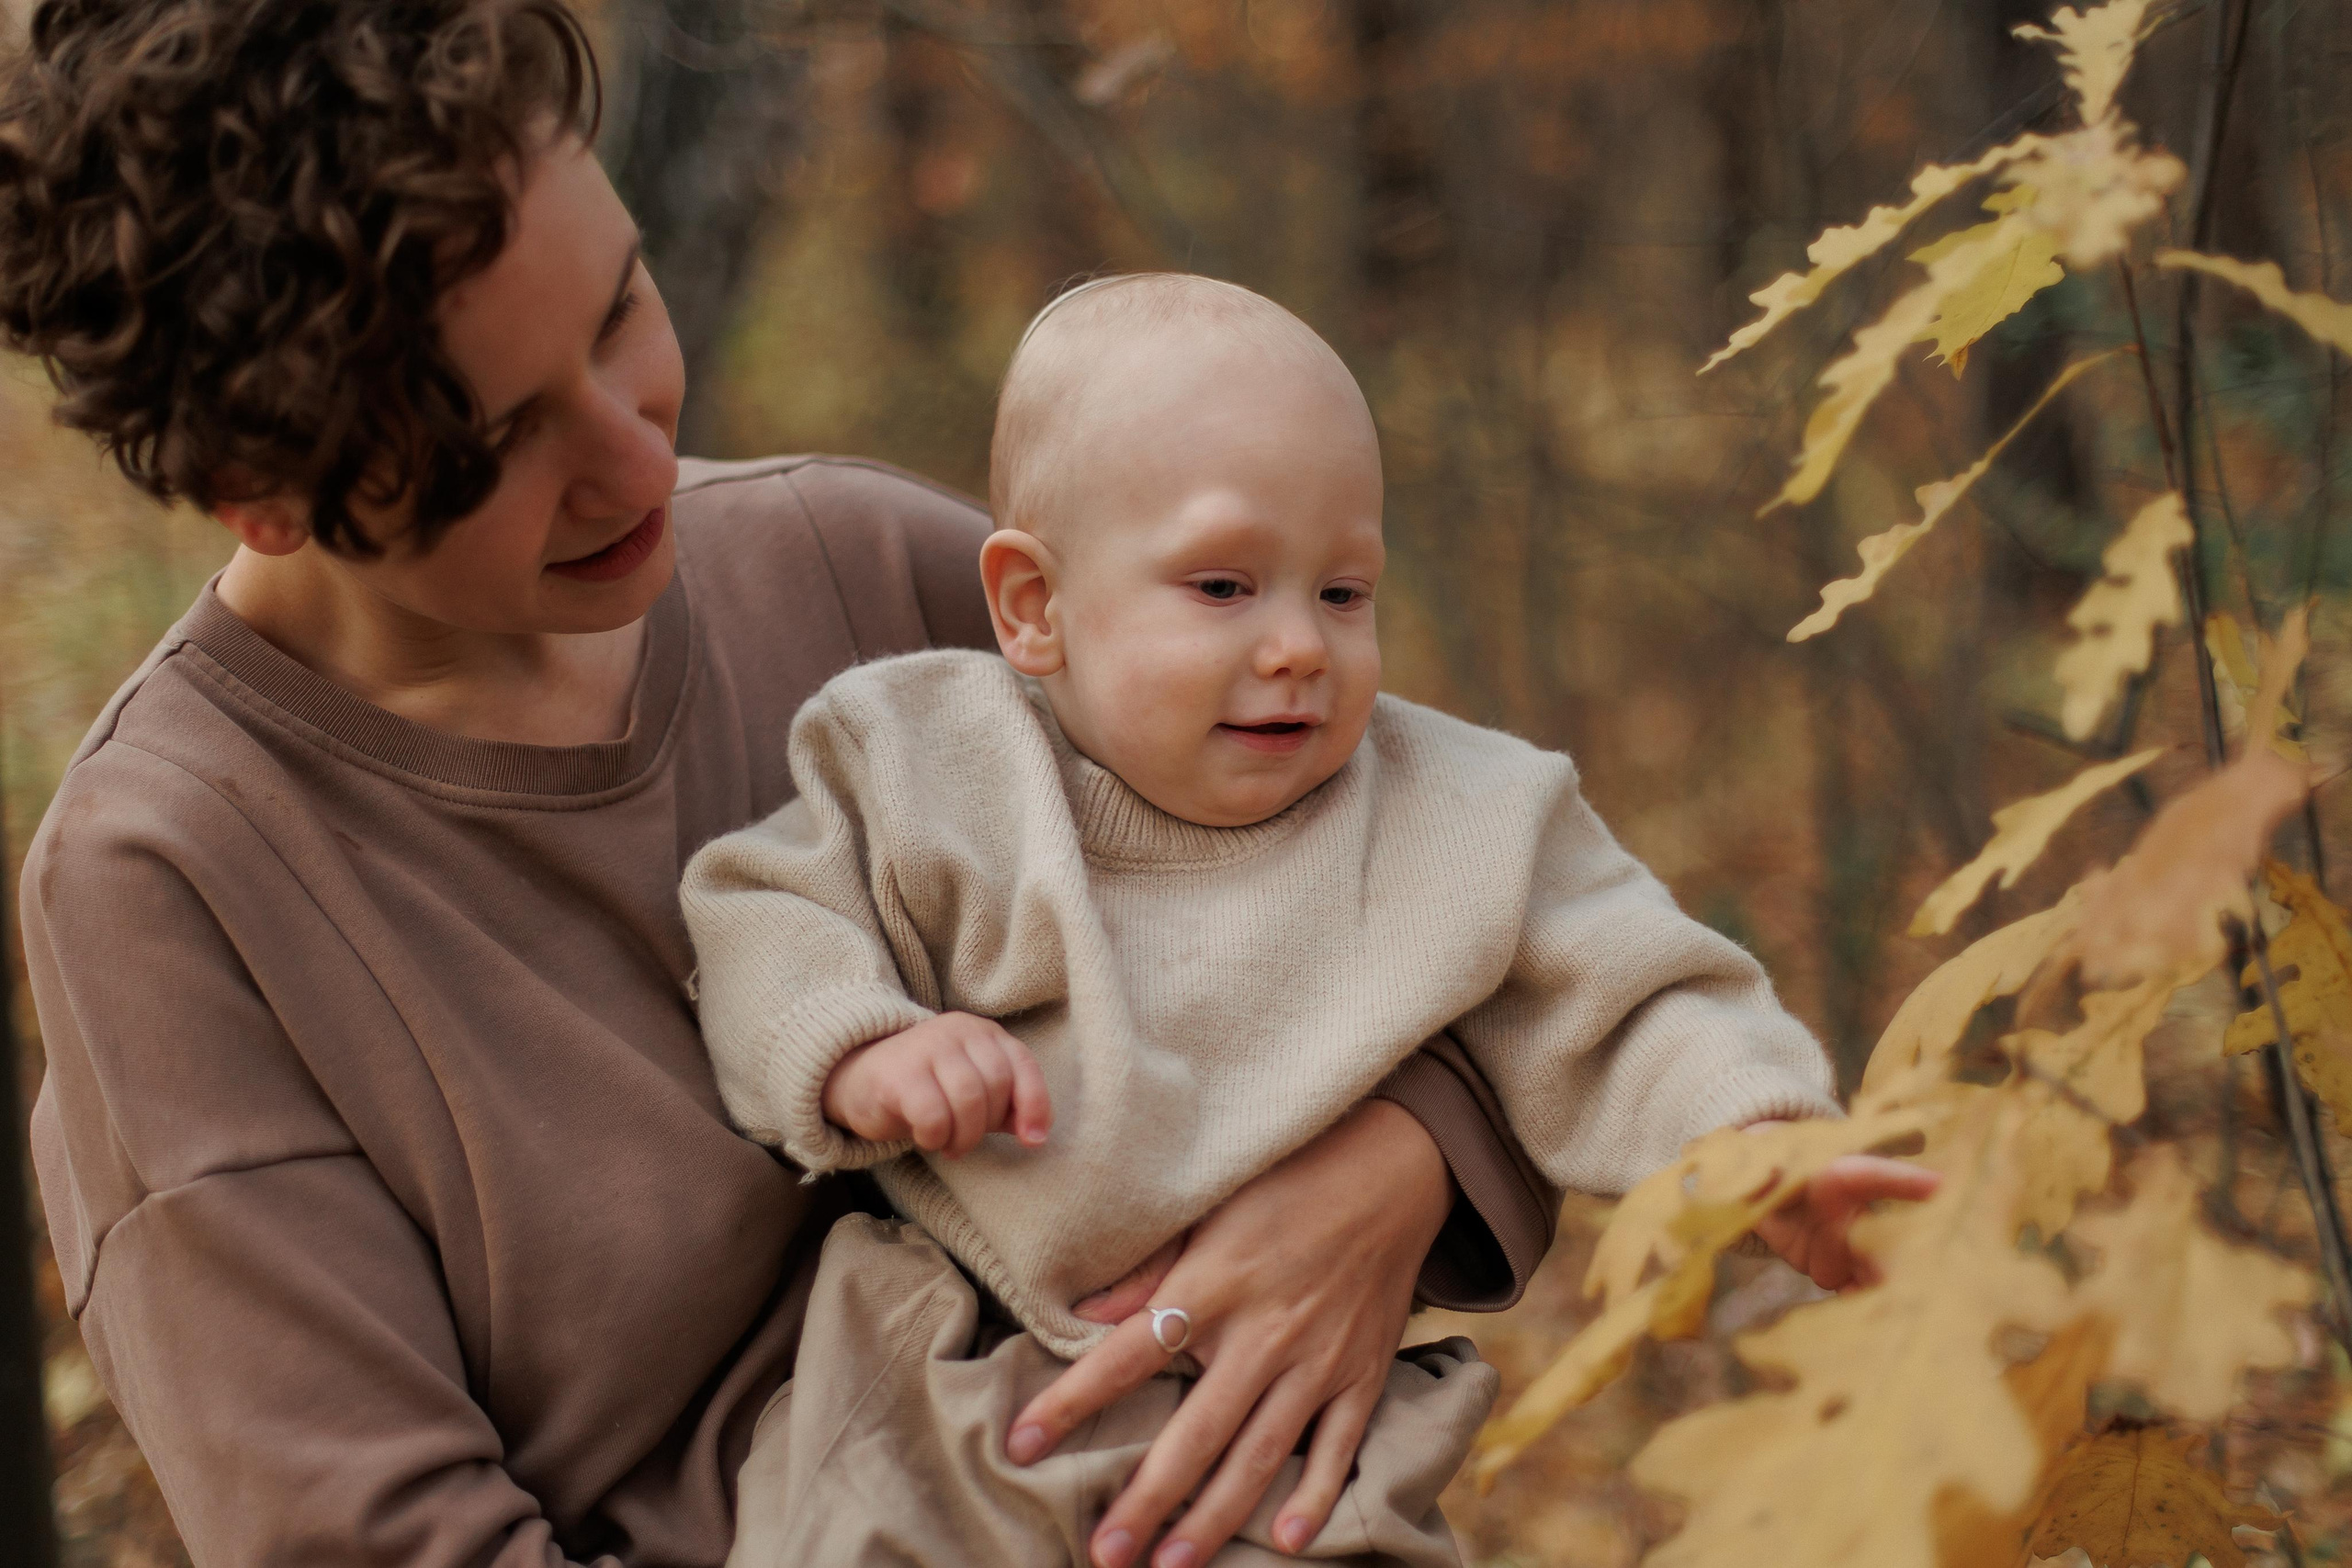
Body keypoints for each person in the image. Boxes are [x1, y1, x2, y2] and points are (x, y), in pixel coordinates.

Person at [0, 6, 1575, 1566]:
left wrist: (1390, 1172)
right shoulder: (172, 877)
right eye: (498, 437)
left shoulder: (861, 569)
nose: (631, 460)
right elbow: (366, 1535)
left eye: (621, 312)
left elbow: (1456, 886)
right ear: (261, 491)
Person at [680, 276, 1938, 1567]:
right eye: (1224, 587)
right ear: (1033, 608)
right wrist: (862, 1048)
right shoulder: (928, 760)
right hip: (930, 1400)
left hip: (1293, 1447)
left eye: (1344, 592)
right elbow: (764, 911)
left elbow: (1635, 995)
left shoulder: (1463, 815)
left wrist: (1761, 1139)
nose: (1299, 646)